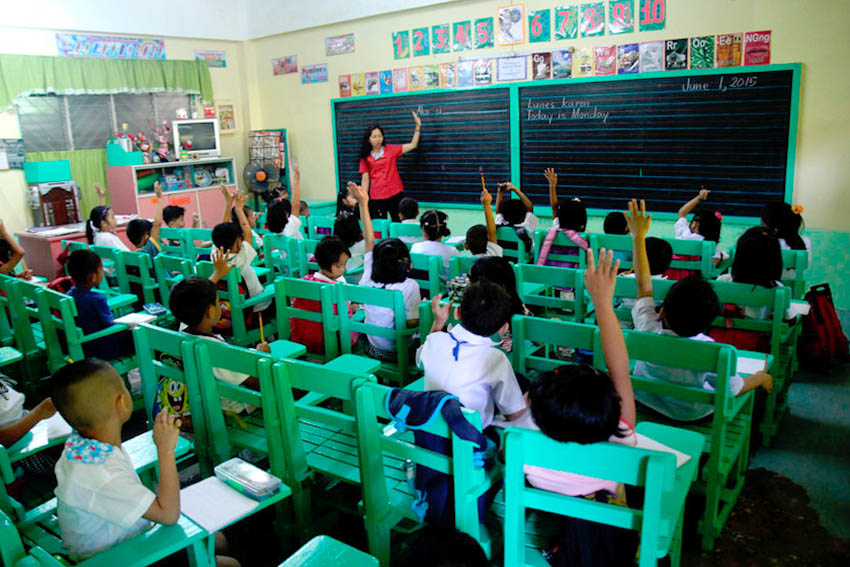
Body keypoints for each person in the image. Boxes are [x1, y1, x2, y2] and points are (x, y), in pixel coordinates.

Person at [515, 250, 640, 567]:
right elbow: (620, 370)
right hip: (597, 505)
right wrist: (602, 303)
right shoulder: (621, 434)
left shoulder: (520, 430)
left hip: (545, 501)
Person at [625, 199, 772, 421]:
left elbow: (644, 287)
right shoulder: (711, 349)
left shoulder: (647, 327)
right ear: (708, 323)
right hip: (689, 414)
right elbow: (733, 388)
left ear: (662, 310)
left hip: (645, 402)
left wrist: (638, 237)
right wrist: (761, 378)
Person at [419, 280, 526, 430]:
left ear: (457, 312)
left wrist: (438, 322)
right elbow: (513, 413)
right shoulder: (495, 358)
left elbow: (421, 359)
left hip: (428, 428)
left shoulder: (435, 340)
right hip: (470, 440)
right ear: (503, 328)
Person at [169, 261, 271, 414]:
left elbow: (194, 299)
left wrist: (217, 273)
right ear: (210, 311)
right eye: (218, 302)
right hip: (231, 408)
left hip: (200, 402)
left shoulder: (183, 330)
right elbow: (256, 382)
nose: (221, 306)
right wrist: (262, 356)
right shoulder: (217, 351)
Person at [355, 183, 421, 362]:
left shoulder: (368, 275)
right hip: (399, 352)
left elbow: (369, 241)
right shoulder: (410, 286)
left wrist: (363, 203)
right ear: (406, 263)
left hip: (372, 347)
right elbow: (411, 324)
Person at [289, 235, 356, 354]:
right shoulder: (336, 289)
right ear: (326, 263)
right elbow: (345, 318)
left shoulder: (304, 281)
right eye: (339, 266)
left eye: (345, 265)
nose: (343, 270)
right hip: (327, 342)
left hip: (301, 338)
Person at [66, 250, 133, 360]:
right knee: (141, 334)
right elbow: (110, 325)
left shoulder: (68, 295)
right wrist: (129, 327)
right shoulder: (97, 299)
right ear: (93, 276)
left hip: (83, 346)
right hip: (104, 347)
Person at [211, 192, 270, 312]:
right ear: (238, 242)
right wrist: (238, 209)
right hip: (255, 308)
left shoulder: (215, 255)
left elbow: (224, 229)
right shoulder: (239, 260)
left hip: (230, 309)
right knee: (277, 290)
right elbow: (248, 234)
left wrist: (229, 203)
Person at [358, 111, 421, 221]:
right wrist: (363, 198)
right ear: (368, 139)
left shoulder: (390, 150)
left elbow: (412, 145)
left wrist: (417, 127)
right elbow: (365, 180)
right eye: (374, 137)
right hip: (377, 196)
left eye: (380, 136)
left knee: (398, 222)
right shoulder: (365, 157)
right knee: (380, 226)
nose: (378, 139)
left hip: (395, 193)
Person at [673, 189, 727, 265]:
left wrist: (699, 198)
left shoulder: (683, 233)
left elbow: (682, 213)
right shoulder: (712, 243)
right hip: (697, 275)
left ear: (694, 224)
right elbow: (714, 262)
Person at [761, 201, 811, 277]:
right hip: (791, 288)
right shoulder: (805, 242)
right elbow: (806, 266)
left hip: (764, 288)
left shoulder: (760, 241)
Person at [411, 210, 459, 281]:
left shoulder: (415, 247)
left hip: (421, 289)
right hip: (443, 290)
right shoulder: (452, 252)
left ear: (423, 230)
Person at [125, 181, 164, 262]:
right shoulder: (149, 247)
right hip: (158, 275)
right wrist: (159, 198)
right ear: (146, 236)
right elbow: (157, 224)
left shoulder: (133, 255)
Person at [86, 184, 128, 251]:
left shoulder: (96, 235)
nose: (115, 219)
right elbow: (128, 255)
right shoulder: (110, 238)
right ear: (104, 223)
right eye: (113, 217)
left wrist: (101, 197)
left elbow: (99, 215)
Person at [463, 188, 503, 258]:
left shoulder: (463, 262)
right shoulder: (493, 256)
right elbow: (492, 232)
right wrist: (486, 204)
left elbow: (491, 233)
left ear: (466, 246)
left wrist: (486, 204)